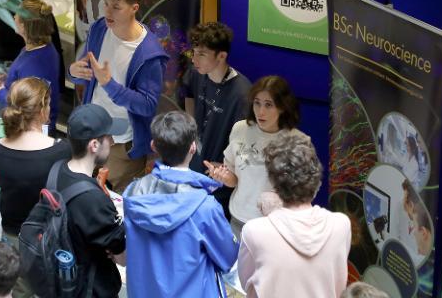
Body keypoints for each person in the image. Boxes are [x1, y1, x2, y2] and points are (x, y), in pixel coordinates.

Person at [68, 0, 169, 193]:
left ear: (134, 8)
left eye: (116, 7)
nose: (108, 12)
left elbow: (147, 105)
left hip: (121, 145)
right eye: (106, 4)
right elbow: (86, 72)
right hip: (91, 132)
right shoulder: (99, 29)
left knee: (117, 206)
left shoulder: (150, 53)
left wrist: (110, 85)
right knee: (84, 196)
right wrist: (74, 72)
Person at [123, 111, 238, 298]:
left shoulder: (134, 192)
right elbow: (228, 258)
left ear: (153, 146)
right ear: (193, 147)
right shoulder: (205, 207)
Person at [238, 134, 351, 298]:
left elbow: (247, 284)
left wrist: (274, 216)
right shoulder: (341, 225)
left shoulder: (253, 231)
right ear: (316, 177)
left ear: (274, 182)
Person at [0, 77, 71, 296]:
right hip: (46, 239)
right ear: (43, 109)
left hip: (12, 234)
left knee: (19, 291)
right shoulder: (60, 151)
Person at [205, 75, 310, 237]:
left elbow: (303, 194)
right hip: (238, 220)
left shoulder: (298, 142)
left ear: (282, 107)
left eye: (268, 105)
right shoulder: (240, 129)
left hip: (275, 227)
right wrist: (223, 177)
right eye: (257, 103)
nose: (261, 111)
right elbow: (233, 181)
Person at [54, 104, 127, 297]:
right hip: (90, 290)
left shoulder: (56, 170)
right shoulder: (94, 200)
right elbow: (123, 258)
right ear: (94, 145)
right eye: (108, 137)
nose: (112, 142)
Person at [0, 0, 65, 128]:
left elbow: (25, 106)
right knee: (2, 127)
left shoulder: (34, 9)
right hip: (7, 69)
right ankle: (3, 144)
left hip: (22, 75)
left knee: (17, 127)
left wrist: (2, 92)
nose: (14, 18)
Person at [183, 21, 251, 219]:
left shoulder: (242, 94)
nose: (194, 59)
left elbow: (245, 145)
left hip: (219, 178)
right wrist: (191, 127)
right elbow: (189, 94)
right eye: (194, 52)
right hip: (194, 165)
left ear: (221, 56)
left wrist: (226, 167)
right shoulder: (197, 73)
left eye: (202, 54)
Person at [0, 0, 61, 133]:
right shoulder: (43, 49)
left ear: (23, 26)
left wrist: (1, 93)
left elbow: (28, 106)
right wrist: (9, 80)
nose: (13, 17)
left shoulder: (34, 64)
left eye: (16, 16)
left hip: (31, 131)